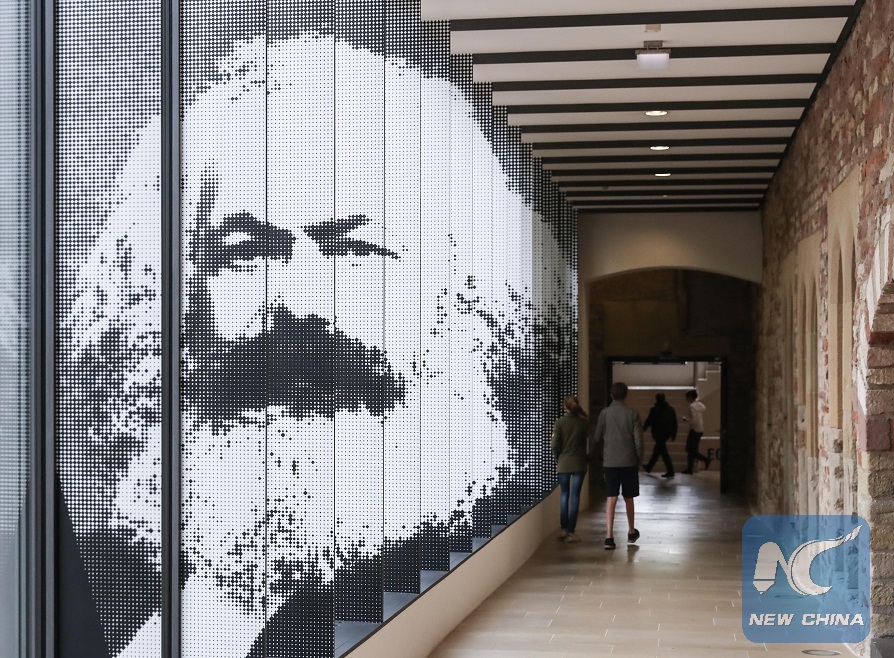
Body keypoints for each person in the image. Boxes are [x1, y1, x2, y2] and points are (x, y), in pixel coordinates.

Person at [55, 24, 570, 658]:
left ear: (465, 297)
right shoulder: (95, 576)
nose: (293, 300)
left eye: (354, 249)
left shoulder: (480, 531)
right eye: (246, 251)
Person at [593, 382, 642, 550]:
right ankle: (631, 532)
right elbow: (638, 441)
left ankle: (609, 536)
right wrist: (639, 459)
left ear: (611, 395)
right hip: (629, 461)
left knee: (611, 497)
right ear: (625, 395)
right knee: (629, 497)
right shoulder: (632, 413)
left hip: (610, 461)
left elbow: (597, 436)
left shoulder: (604, 413)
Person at [551, 395, 590, 543]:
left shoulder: (560, 422)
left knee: (564, 495)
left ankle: (563, 528)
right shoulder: (583, 423)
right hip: (579, 463)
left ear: (565, 407)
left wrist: (558, 459)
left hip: (564, 463)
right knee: (575, 496)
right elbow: (590, 443)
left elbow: (554, 445)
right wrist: (588, 458)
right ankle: (571, 532)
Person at [642, 393, 677, 478]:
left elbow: (649, 420)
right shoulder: (670, 409)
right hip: (666, 433)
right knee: (659, 450)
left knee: (662, 451)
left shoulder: (654, 409)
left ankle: (669, 470)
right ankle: (649, 466)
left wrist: (644, 428)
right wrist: (673, 434)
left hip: (657, 433)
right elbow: (674, 422)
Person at [682, 389, 710, 474]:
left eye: (687, 397)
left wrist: (687, 420)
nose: (686, 399)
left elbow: (694, 419)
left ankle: (704, 459)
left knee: (690, 449)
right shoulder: (700, 405)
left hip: (694, 429)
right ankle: (690, 468)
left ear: (690, 397)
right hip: (700, 429)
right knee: (692, 449)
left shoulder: (692, 406)